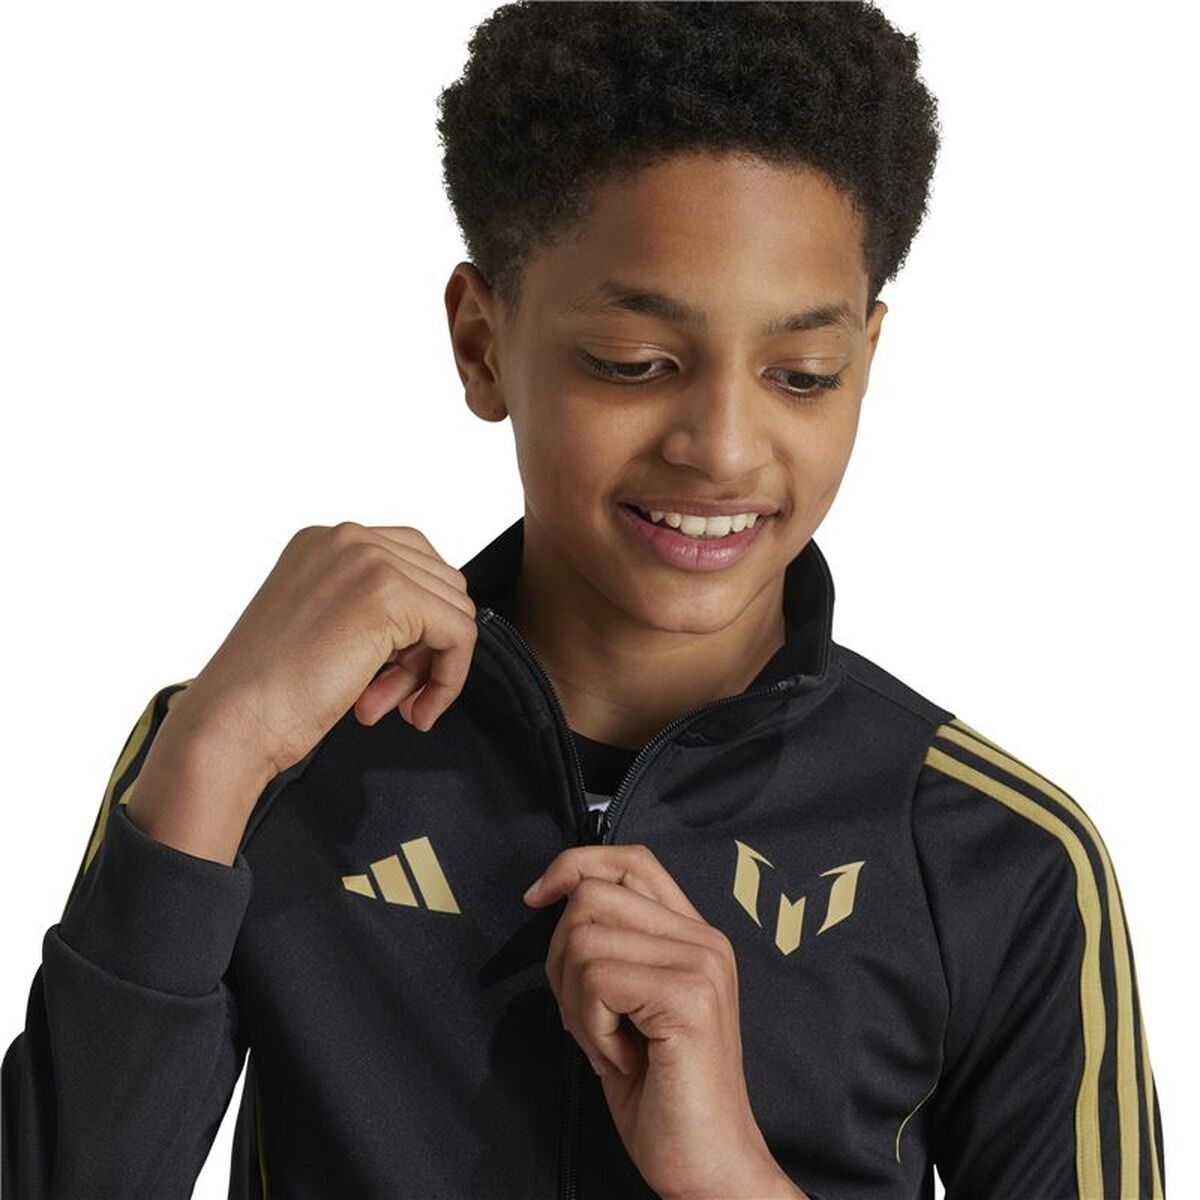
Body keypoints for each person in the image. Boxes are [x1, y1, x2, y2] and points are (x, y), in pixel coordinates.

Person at [1, 3, 1166, 1198]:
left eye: (802, 375)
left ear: (865, 360)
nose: (724, 448)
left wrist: (729, 1174)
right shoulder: (252, 758)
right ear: (482, 344)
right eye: (635, 363)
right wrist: (216, 749)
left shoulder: (1001, 856)